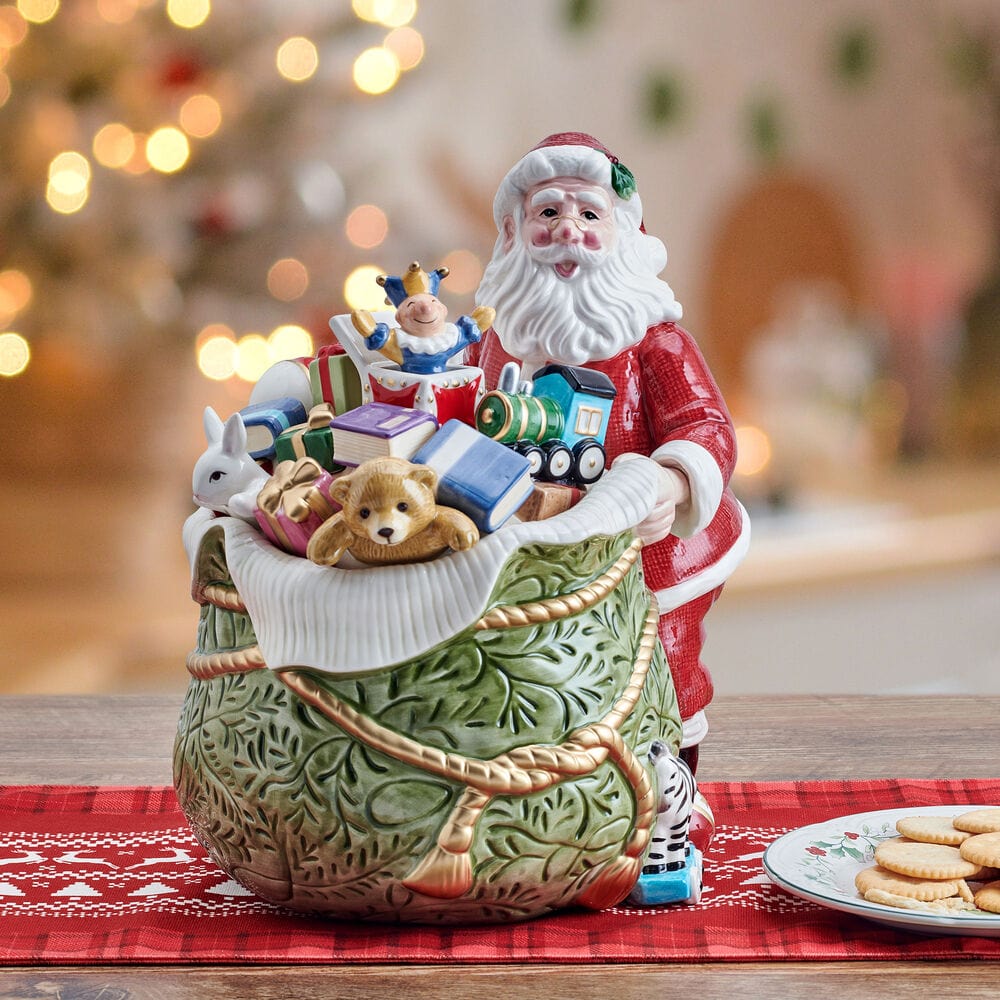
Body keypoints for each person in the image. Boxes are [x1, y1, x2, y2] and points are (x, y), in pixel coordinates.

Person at [469, 133, 750, 770]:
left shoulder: (657, 345)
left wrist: (670, 482)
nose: (568, 230)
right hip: (523, 546)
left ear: (619, 233)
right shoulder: (494, 341)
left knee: (658, 660)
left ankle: (672, 788)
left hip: (643, 547)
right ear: (515, 232)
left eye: (589, 214)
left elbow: (706, 425)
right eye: (548, 213)